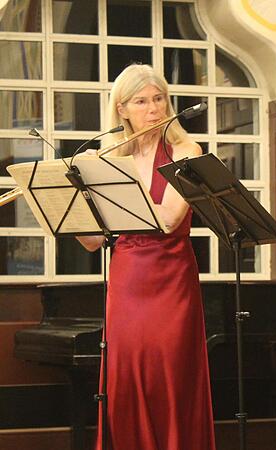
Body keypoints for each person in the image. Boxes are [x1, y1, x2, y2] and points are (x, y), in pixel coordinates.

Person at [77, 64, 215, 450]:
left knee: (169, 375)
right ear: (122, 109)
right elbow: (92, 241)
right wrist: (72, 197)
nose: (153, 109)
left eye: (159, 99)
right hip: (127, 278)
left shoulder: (186, 151)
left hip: (171, 277)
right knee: (125, 376)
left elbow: (169, 218)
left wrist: (111, 181)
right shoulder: (108, 157)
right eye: (141, 101)